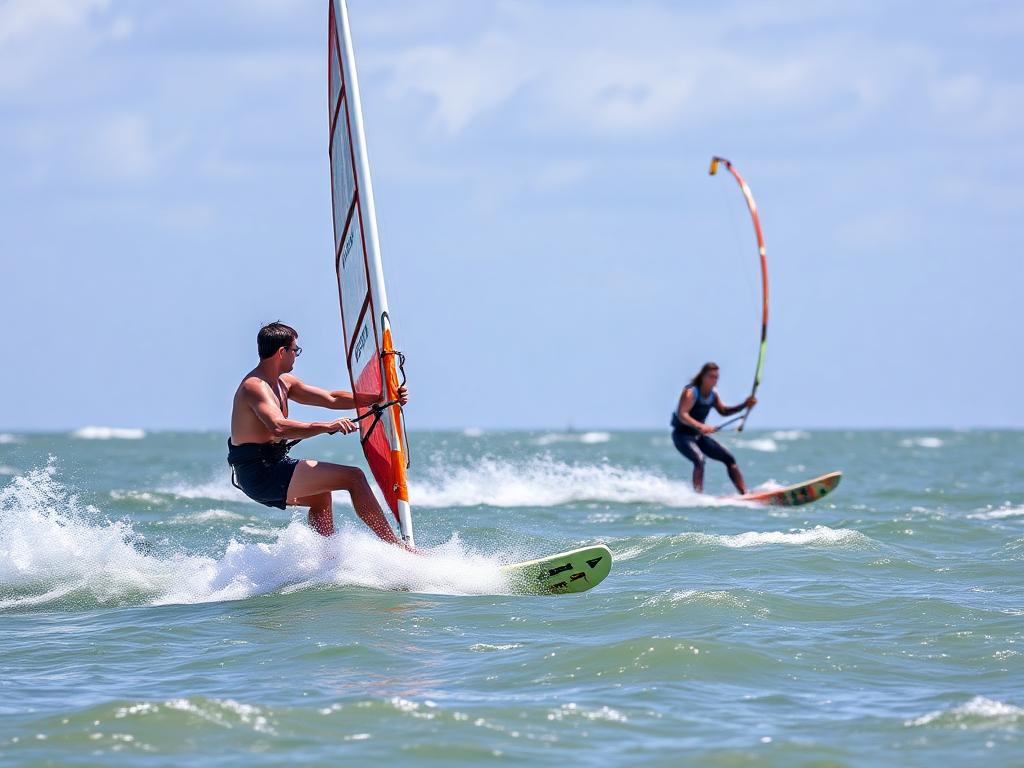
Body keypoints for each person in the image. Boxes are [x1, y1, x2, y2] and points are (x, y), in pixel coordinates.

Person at [228, 321, 408, 544]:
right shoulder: (255, 386)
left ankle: (324, 559)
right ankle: (397, 547)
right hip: (259, 473)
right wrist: (327, 426)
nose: (296, 355)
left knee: (320, 496)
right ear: (282, 352)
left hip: (273, 464)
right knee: (354, 477)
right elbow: (278, 426)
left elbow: (331, 398)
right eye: (295, 350)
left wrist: (382, 398)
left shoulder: (284, 383)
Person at [672, 362, 756, 494]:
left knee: (729, 459)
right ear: (702, 377)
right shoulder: (691, 391)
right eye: (711, 376)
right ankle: (697, 496)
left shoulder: (713, 395)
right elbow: (682, 414)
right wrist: (700, 425)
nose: (714, 380)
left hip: (699, 436)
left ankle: (745, 494)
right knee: (699, 460)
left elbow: (723, 411)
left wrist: (744, 405)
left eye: (716, 377)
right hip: (682, 435)